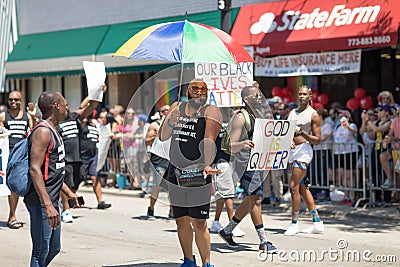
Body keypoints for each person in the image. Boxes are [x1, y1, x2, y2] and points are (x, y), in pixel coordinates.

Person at [159, 79, 222, 267]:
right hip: (176, 172)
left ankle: (207, 262)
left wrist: (208, 164)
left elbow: (209, 139)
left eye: (203, 89)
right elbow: (162, 136)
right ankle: (188, 259)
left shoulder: (210, 111)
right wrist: (171, 120)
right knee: (181, 219)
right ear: (188, 90)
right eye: (195, 88)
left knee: (199, 221)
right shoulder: (177, 107)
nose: (199, 92)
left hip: (198, 172)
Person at [24, 91, 81, 266]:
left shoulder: (54, 131)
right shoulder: (43, 132)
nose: (67, 108)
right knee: (41, 251)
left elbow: (52, 171)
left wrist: (69, 193)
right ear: (56, 106)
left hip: (52, 199)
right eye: (65, 105)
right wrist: (48, 205)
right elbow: (34, 169)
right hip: (42, 201)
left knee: (54, 248)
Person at [219, 85, 278, 254]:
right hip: (244, 164)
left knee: (251, 199)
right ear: (246, 99)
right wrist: (242, 144)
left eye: (259, 94)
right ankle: (264, 241)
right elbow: (231, 145)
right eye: (255, 95)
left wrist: (286, 143)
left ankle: (227, 230)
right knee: (256, 199)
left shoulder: (259, 115)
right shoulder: (241, 117)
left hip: (257, 162)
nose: (259, 97)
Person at [57, 85, 106, 222]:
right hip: (65, 159)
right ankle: (66, 211)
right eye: (63, 105)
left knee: (77, 182)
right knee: (66, 183)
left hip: (79, 159)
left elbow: (91, 106)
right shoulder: (56, 122)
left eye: (67, 105)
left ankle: (63, 202)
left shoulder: (74, 117)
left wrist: (98, 91)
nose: (66, 108)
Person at [284, 85, 323, 236]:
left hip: (304, 151)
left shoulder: (313, 115)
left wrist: (303, 134)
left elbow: (317, 139)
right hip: (291, 151)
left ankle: (294, 223)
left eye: (304, 94)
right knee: (302, 188)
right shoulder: (292, 113)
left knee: (293, 187)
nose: (301, 96)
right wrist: (288, 141)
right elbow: (286, 131)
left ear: (310, 96)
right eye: (299, 94)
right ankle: (317, 222)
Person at [0, 91, 37, 229]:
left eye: (16, 99)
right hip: (8, 155)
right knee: (13, 186)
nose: (13, 102)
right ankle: (12, 216)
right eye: (10, 99)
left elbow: (33, 131)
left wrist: (33, 116)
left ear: (21, 101)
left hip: (23, 154)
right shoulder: (4, 116)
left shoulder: (27, 116)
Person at [209, 107, 245, 237]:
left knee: (222, 194)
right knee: (229, 194)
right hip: (220, 160)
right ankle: (232, 225)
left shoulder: (233, 121)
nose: (231, 109)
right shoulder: (214, 122)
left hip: (231, 160)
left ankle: (216, 222)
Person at [145, 105, 172, 218]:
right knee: (157, 185)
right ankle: (151, 208)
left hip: (171, 158)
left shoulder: (175, 124)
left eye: (168, 110)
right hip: (158, 158)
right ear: (160, 113)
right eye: (163, 111)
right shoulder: (155, 125)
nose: (166, 113)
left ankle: (172, 210)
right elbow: (146, 141)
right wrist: (155, 136)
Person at [80, 113, 111, 209]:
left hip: (93, 155)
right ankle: (68, 201)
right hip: (82, 156)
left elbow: (98, 137)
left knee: (95, 177)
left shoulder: (95, 126)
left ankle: (100, 201)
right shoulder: (81, 126)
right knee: (77, 179)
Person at [332, 110, 359, 206]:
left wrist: (347, 126)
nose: (342, 119)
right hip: (339, 152)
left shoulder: (352, 125)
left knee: (349, 175)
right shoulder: (337, 127)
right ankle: (346, 196)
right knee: (342, 175)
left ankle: (352, 196)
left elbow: (354, 132)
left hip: (350, 152)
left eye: (344, 117)